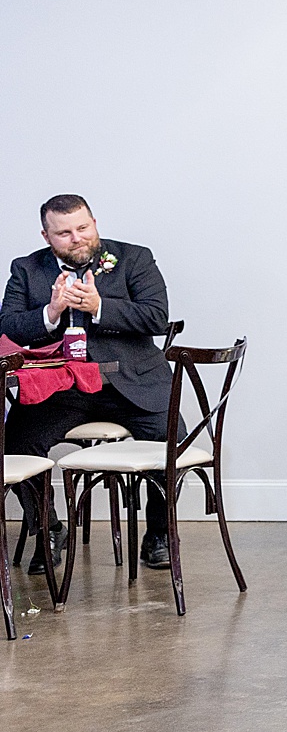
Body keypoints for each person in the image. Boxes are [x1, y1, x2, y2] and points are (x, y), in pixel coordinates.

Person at [1, 195, 176, 573]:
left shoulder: (134, 258)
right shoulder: (27, 269)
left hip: (134, 382)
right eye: (64, 233)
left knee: (171, 439)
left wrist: (100, 306)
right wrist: (51, 313)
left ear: (94, 222)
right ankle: (47, 528)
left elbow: (158, 318)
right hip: (65, 388)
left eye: (83, 228)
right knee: (15, 442)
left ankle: (159, 533)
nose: (76, 238)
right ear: (47, 236)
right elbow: (10, 325)